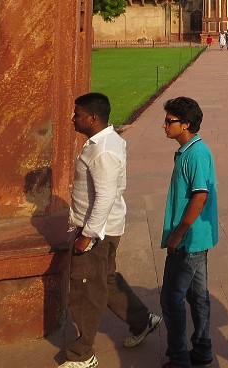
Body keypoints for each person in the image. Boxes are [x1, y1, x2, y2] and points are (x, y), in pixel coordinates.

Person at [63, 93, 161, 368]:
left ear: (92, 118)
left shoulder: (103, 150)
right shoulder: (107, 141)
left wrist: (87, 235)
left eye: (77, 114)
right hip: (106, 226)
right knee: (106, 280)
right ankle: (143, 321)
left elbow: (105, 197)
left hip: (97, 231)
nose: (73, 118)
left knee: (86, 291)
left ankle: (83, 354)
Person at [160, 97, 219, 368]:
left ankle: (179, 356)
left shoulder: (195, 153)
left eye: (169, 121)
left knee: (171, 298)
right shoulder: (191, 151)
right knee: (198, 296)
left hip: (189, 239)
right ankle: (203, 349)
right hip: (197, 238)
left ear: (185, 124)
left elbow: (200, 196)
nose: (164, 125)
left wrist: (178, 233)